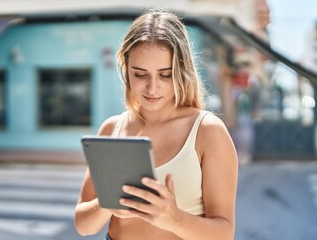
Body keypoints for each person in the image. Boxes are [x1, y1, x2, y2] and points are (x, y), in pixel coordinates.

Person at [75, 8, 238, 240]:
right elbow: (83, 225)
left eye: (165, 74)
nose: (152, 88)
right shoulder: (112, 129)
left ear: (182, 71)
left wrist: (175, 220)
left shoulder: (207, 130)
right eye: (140, 75)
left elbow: (224, 233)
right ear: (126, 69)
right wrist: (107, 204)